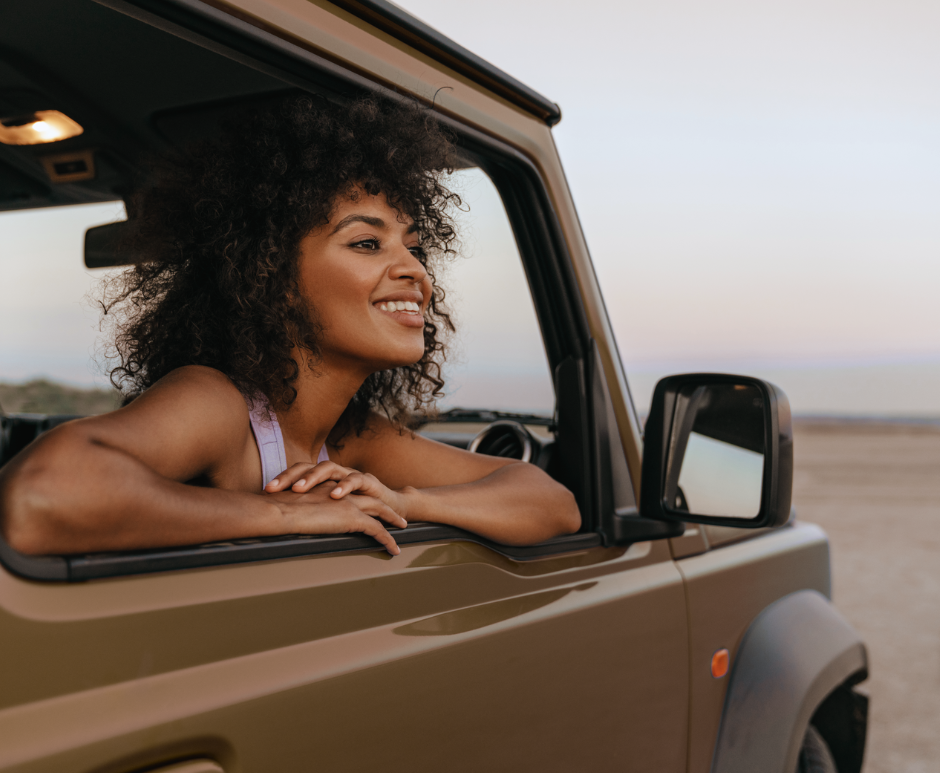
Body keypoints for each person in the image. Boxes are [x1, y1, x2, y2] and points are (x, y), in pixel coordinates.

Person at [0, 95, 580, 557]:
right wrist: (285, 514)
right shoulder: (218, 401)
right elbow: (43, 495)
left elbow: (550, 503)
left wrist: (407, 502)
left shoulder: (352, 437)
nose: (414, 271)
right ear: (272, 276)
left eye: (415, 247)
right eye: (367, 242)